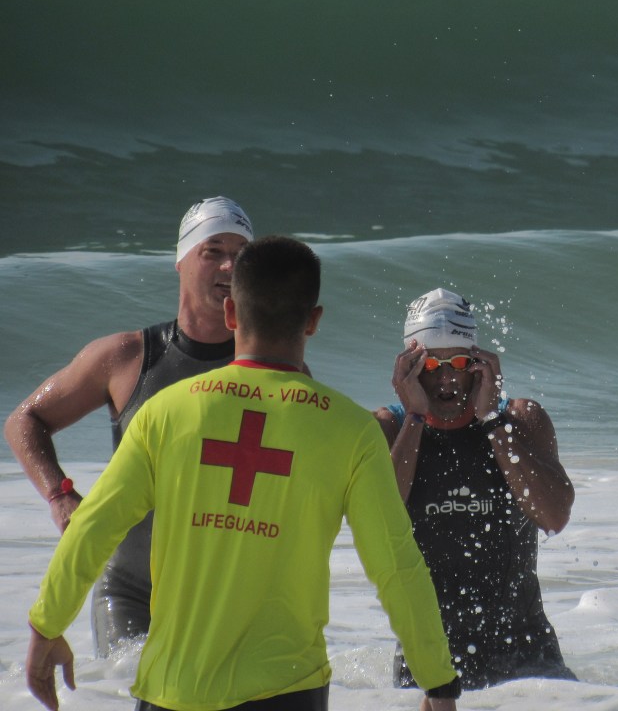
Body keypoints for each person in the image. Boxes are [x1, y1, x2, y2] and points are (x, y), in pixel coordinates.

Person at [25, 236, 460, 711]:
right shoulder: (351, 431)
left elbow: (94, 528)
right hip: (289, 692)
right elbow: (394, 564)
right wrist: (437, 682)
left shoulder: (165, 413)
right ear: (313, 321)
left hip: (174, 689)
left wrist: (47, 626)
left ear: (231, 313)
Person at [5, 196, 256, 657]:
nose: (228, 265)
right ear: (181, 260)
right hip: (131, 594)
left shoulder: (270, 370)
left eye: (241, 255)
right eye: (213, 250)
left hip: (229, 599)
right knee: (129, 691)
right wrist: (60, 496)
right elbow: (25, 420)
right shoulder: (126, 358)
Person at [374, 288, 577, 694]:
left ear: (478, 365)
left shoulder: (519, 421)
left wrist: (492, 422)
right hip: (428, 664)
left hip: (527, 657)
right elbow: (378, 524)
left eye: (458, 363)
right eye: (430, 364)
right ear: (408, 368)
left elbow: (554, 517)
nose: (446, 378)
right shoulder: (389, 430)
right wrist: (415, 417)